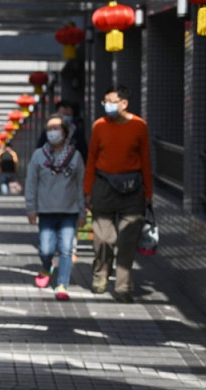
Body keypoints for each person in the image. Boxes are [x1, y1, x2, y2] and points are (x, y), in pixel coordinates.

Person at [84, 84, 152, 303]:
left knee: (127, 240)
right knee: (104, 238)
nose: (108, 106)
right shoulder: (99, 126)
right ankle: (100, 274)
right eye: (106, 101)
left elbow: (146, 160)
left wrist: (148, 192)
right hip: (104, 185)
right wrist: (88, 189)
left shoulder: (139, 126)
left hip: (133, 188)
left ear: (124, 103)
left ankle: (123, 287)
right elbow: (92, 159)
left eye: (112, 101)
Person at [25, 115, 86, 301]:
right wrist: (31, 208)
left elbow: (80, 185)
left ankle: (62, 285)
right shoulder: (38, 156)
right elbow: (31, 183)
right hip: (46, 211)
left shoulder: (75, 156)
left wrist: (82, 212)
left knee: (67, 249)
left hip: (69, 211)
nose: (52, 132)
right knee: (46, 249)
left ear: (65, 132)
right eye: (49, 128)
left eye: (56, 128)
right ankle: (46, 266)